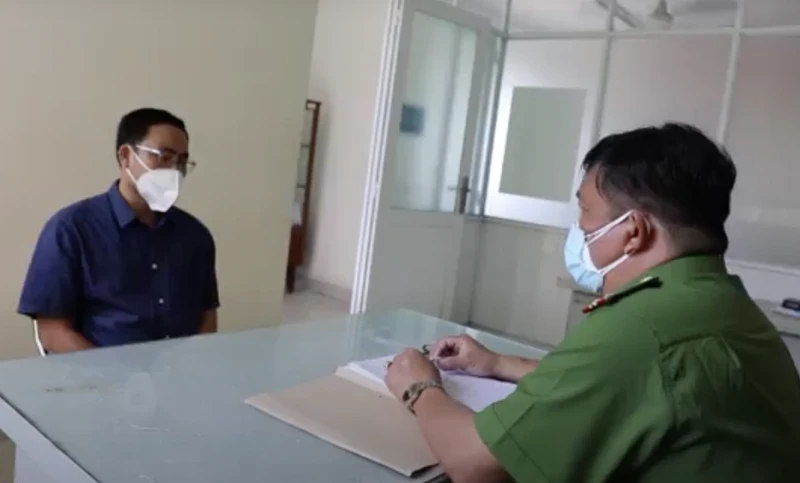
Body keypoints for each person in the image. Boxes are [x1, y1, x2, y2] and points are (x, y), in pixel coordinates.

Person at [385, 123, 800, 482]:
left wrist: (419, 387)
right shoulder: (720, 302)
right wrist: (496, 364)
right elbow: (632, 387)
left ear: (633, 231)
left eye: (585, 210)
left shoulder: (641, 326)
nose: (579, 228)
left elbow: (474, 464)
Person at [18, 108, 219, 353]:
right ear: (126, 156)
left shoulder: (194, 235)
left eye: (181, 161)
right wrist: (110, 373)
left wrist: (196, 364)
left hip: (182, 371)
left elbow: (207, 317)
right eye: (164, 157)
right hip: (100, 371)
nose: (174, 170)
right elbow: (52, 332)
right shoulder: (71, 229)